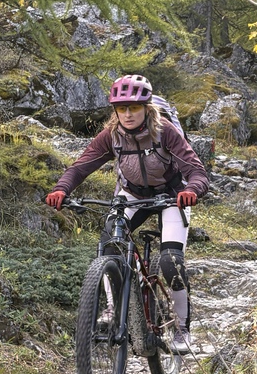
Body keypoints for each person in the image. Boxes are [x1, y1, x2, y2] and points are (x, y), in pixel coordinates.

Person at [46, 74, 209, 353]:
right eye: (122, 109)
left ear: (147, 108)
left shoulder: (165, 131)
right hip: (131, 195)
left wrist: (192, 189)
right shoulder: (111, 136)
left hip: (171, 195)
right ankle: (112, 307)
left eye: (134, 108)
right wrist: (62, 188)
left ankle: (182, 328)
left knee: (170, 262)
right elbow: (80, 167)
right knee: (111, 245)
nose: (128, 114)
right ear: (115, 111)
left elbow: (196, 170)